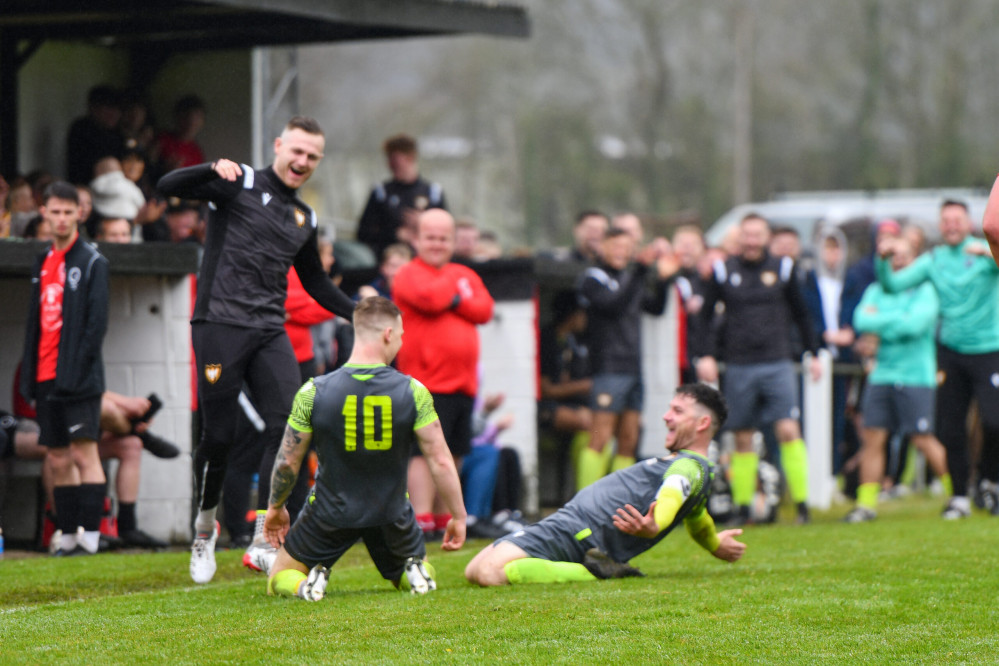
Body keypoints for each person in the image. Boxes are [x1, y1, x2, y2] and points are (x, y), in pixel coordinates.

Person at [156, 116, 356, 583]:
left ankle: (265, 537)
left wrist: (361, 311)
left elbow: (317, 282)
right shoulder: (239, 181)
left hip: (270, 329)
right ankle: (204, 529)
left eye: (312, 157)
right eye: (297, 152)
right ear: (279, 146)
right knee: (220, 436)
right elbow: (167, 184)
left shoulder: (305, 218)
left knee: (290, 428)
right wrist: (210, 167)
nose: (302, 162)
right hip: (220, 326)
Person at [263, 297, 467, 600]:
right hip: (392, 511)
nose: (400, 343)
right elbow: (440, 460)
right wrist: (458, 516)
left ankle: (305, 587)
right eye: (400, 336)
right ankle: (415, 573)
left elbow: (287, 462)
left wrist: (276, 508)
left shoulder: (313, 391)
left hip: (329, 511)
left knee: (279, 577)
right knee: (410, 569)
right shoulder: (413, 391)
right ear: (387, 334)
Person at [464, 383, 745, 586]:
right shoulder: (695, 472)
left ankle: (596, 571)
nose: (666, 416)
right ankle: (591, 565)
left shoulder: (688, 466)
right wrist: (714, 544)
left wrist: (656, 522)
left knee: (488, 573)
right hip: (572, 525)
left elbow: (672, 492)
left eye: (677, 411)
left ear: (702, 423)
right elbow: (698, 520)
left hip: (579, 531)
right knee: (472, 570)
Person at [876, 199, 999, 519]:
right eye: (946, 221)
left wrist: (989, 251)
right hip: (950, 351)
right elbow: (892, 285)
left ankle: (990, 480)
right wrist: (883, 261)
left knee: (994, 421)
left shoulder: (985, 249)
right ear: (940, 226)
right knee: (949, 428)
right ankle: (959, 496)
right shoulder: (934, 260)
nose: (952, 225)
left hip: (990, 349)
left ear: (969, 222)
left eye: (957, 219)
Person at [697, 213, 822, 525]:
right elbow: (705, 318)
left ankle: (803, 506)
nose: (751, 241)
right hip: (739, 365)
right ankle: (741, 508)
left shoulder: (783, 267)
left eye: (757, 235)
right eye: (746, 235)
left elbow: (802, 313)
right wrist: (706, 355)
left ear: (767, 237)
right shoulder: (724, 270)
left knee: (788, 430)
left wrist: (814, 352)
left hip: (777, 362)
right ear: (739, 239)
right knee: (742, 436)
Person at [19, 181, 110, 555]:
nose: (60, 219)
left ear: (79, 214)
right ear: (44, 213)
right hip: (44, 376)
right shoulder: (42, 261)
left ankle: (92, 535)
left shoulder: (92, 261)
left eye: (67, 212)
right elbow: (34, 323)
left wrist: (74, 373)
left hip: (79, 380)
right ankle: (69, 534)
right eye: (54, 212)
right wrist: (29, 375)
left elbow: (96, 326)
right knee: (56, 456)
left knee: (84, 453)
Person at [392, 209, 494, 540]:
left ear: (452, 241)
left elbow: (484, 309)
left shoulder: (464, 272)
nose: (437, 244)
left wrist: (453, 297)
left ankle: (442, 518)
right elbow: (430, 299)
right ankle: (420, 519)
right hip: (426, 383)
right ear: (417, 239)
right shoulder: (408, 273)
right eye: (431, 237)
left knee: (455, 452)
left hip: (463, 385)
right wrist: (456, 295)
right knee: (423, 452)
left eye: (443, 238)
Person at [844, 238, 951, 522]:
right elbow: (861, 321)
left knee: (923, 438)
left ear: (915, 260)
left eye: (905, 255)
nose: (899, 260)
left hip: (916, 377)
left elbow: (915, 326)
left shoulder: (926, 290)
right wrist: (897, 319)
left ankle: (956, 495)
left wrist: (882, 323)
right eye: (893, 255)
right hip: (882, 375)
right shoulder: (876, 289)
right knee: (873, 439)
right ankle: (866, 506)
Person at [575, 228, 677, 490]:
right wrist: (641, 270)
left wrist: (664, 280)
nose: (621, 251)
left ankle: (616, 500)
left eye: (626, 246)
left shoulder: (632, 278)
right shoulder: (593, 277)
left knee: (629, 437)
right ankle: (584, 503)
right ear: (603, 247)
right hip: (608, 367)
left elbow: (655, 308)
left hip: (634, 367)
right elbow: (613, 305)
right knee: (601, 435)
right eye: (615, 246)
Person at [356, 133, 447, 258]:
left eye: (395, 159)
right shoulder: (381, 193)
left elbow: (447, 232)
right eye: (388, 159)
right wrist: (395, 235)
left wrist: (424, 223)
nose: (390, 164)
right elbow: (363, 233)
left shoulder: (433, 192)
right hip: (389, 261)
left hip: (425, 259)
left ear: (410, 158)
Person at [66, 85, 124, 186]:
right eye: (109, 108)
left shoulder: (117, 133)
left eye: (117, 109)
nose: (114, 114)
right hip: (86, 189)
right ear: (94, 108)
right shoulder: (81, 129)